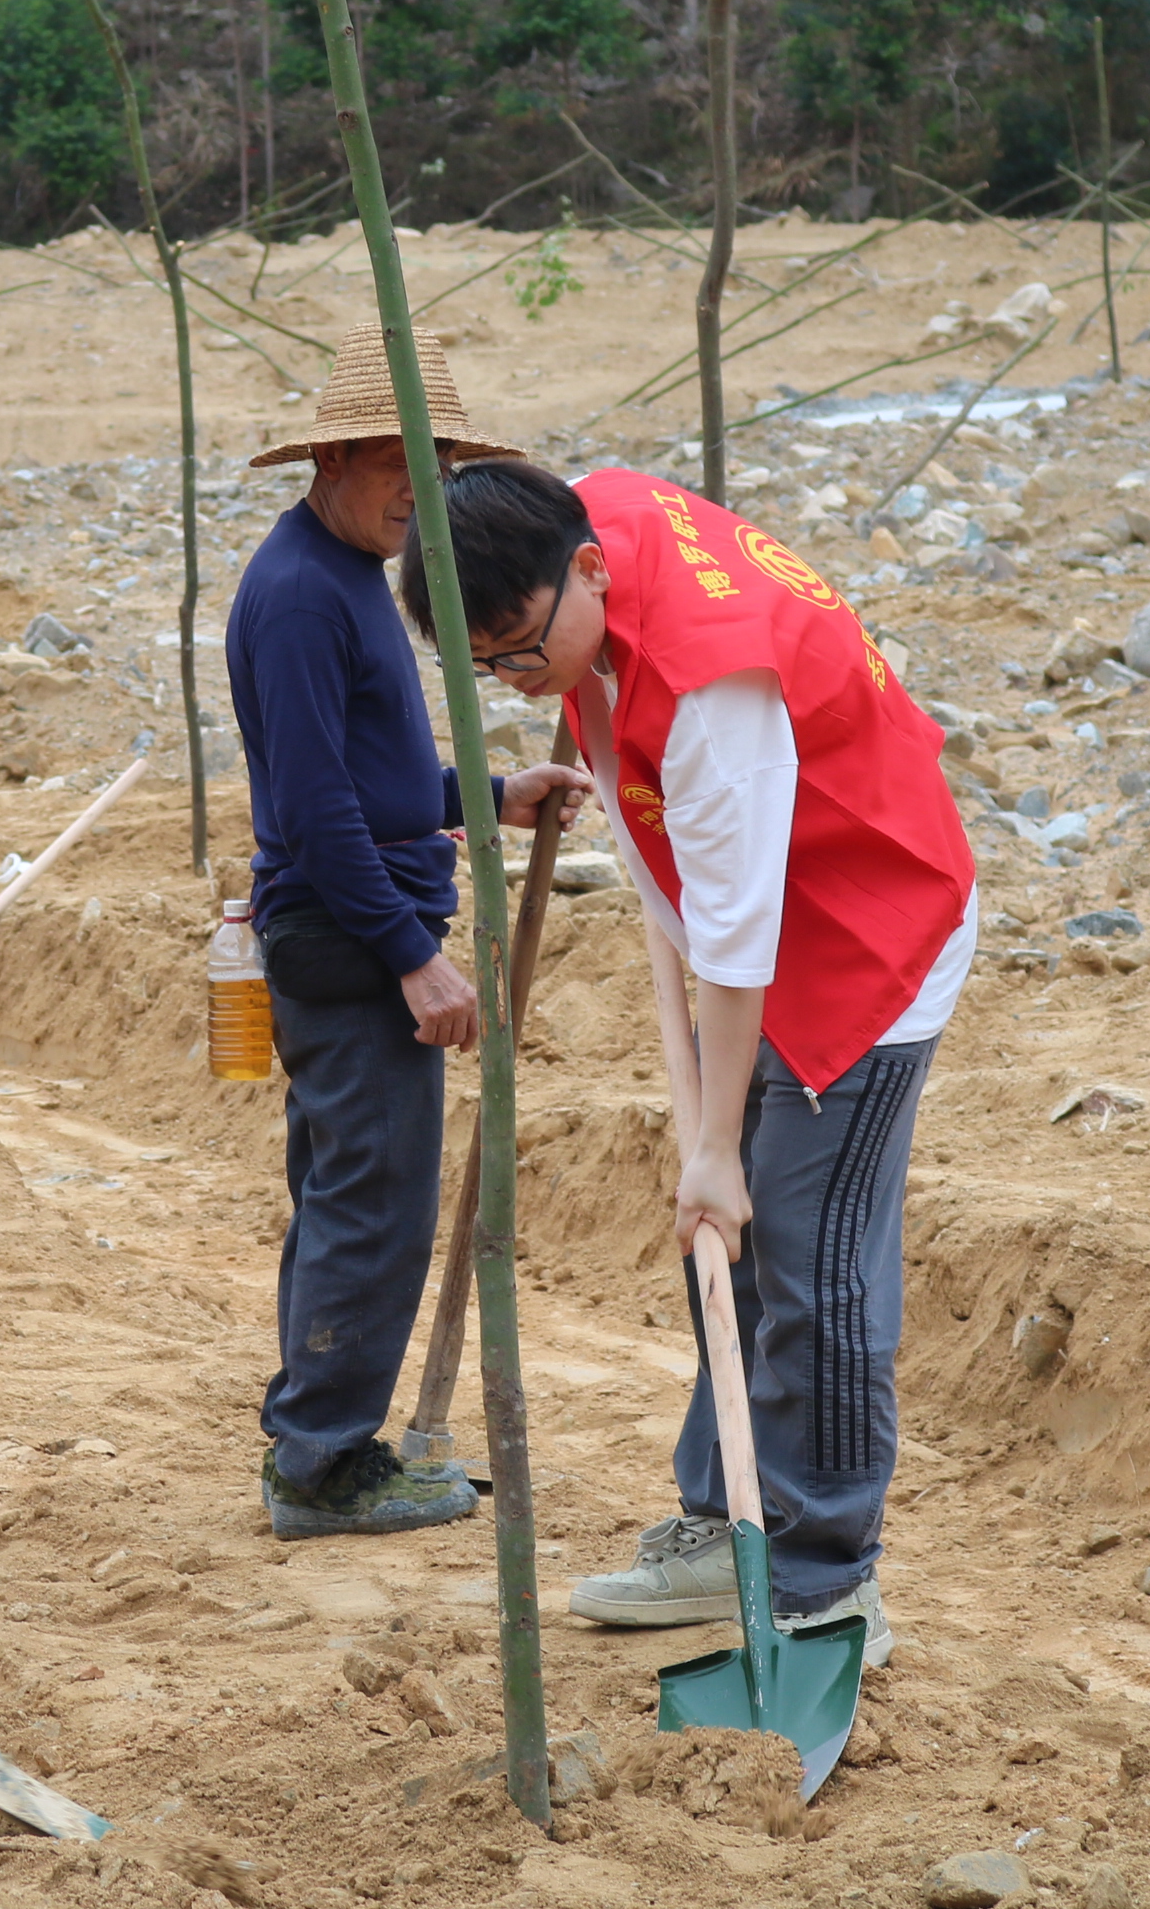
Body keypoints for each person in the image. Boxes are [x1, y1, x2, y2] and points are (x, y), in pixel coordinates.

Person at [409, 457, 976, 1671]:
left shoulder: (713, 694)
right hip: (769, 915)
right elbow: (705, 902)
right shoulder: (581, 520)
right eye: (488, 667)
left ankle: (825, 1578)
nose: (518, 681)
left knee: (808, 1252)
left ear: (591, 573)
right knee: (731, 1240)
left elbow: (739, 936)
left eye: (520, 651)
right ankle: (729, 1522)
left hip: (866, 930)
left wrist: (713, 1146)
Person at [222, 328, 515, 1542]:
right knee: (374, 1197)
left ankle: (312, 1421)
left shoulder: (347, 573)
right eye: (397, 460)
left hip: (356, 921)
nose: (417, 487)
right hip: (347, 940)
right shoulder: (297, 594)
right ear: (334, 455)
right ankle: (325, 1463)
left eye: (434, 462)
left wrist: (484, 795)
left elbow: (374, 769)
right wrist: (414, 953)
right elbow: (315, 805)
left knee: (343, 1184)